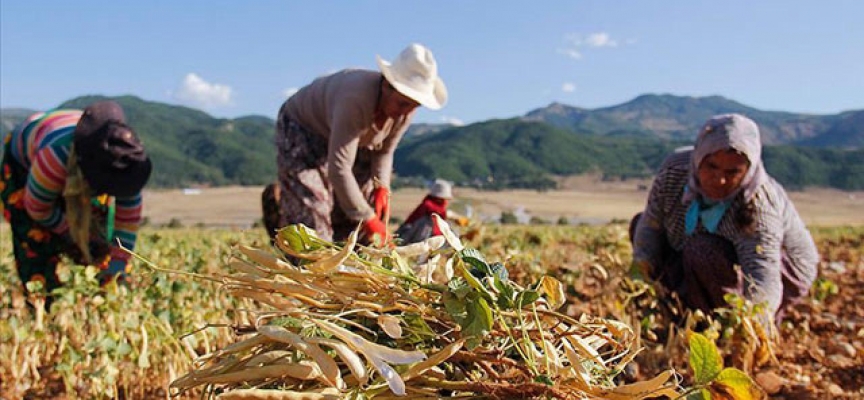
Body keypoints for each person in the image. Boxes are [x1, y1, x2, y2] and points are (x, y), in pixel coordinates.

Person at [630, 113, 819, 325]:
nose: (719, 180)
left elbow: (762, 277)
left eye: (733, 172)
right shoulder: (674, 171)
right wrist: (640, 283)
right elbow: (650, 226)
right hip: (708, 253)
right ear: (699, 157)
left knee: (702, 249)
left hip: (782, 269)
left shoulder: (757, 206)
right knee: (640, 225)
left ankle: (716, 324)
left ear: (748, 170)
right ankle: (682, 313)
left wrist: (751, 326)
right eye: (711, 166)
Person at [261, 43, 447, 246]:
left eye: (413, 106)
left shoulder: (404, 112)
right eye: (402, 104)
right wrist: (367, 217)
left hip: (351, 140)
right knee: (313, 211)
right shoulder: (355, 99)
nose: (406, 112)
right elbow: (339, 169)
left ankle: (348, 263)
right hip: (304, 128)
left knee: (357, 210)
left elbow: (384, 152)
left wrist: (382, 187)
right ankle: (301, 252)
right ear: (386, 86)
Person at [1, 100, 152, 305]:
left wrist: (116, 269)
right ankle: (43, 303)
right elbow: (37, 208)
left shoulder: (127, 162)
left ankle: (98, 293)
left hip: (80, 156)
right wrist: (71, 234)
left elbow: (126, 224)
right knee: (34, 237)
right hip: (25, 163)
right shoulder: (55, 156)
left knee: (99, 231)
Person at [395, 179, 454, 244]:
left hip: (425, 234)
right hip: (412, 231)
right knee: (427, 222)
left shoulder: (439, 205)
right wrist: (449, 215)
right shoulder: (427, 204)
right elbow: (436, 211)